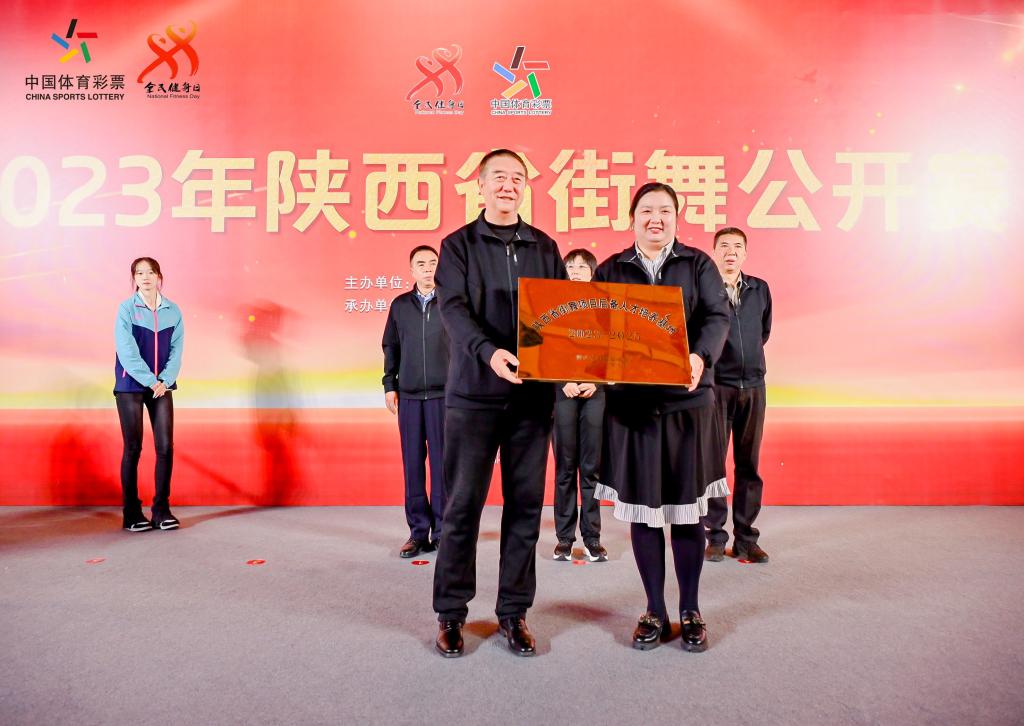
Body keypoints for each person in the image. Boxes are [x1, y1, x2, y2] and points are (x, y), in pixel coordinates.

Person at [431, 149, 567, 658]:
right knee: (462, 506)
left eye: (517, 178)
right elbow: (453, 310)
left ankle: (514, 611)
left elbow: (563, 315)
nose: (508, 186)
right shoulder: (458, 246)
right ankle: (451, 612)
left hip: (531, 400)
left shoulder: (544, 247)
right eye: (499, 178)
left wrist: (575, 366)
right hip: (473, 397)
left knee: (525, 507)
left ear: (525, 187)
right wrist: (489, 353)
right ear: (481, 186)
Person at [592, 183, 730, 652]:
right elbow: (594, 329)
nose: (656, 218)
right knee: (646, 514)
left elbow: (716, 317)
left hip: (686, 407)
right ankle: (654, 609)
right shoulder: (611, 269)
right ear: (632, 218)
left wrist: (699, 356)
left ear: (676, 217)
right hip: (632, 409)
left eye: (665, 210)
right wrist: (597, 366)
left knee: (687, 514)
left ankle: (690, 609)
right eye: (647, 210)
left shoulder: (698, 265)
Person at [703, 227, 773, 563]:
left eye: (737, 247)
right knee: (713, 465)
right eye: (724, 246)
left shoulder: (760, 289)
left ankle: (746, 538)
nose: (731, 252)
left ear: (745, 253)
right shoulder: (705, 290)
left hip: (754, 387)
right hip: (717, 387)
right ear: (714, 252)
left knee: (749, 464)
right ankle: (715, 536)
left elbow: (764, 332)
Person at [382, 245, 449, 558]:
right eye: (421, 264)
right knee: (412, 466)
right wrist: (389, 385)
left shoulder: (451, 303)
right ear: (411, 270)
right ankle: (418, 532)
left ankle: (444, 531)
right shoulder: (400, 306)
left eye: (433, 263)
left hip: (443, 396)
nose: (427, 268)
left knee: (442, 466)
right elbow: (391, 347)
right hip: (408, 397)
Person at [113, 257, 184, 532]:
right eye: (140, 273)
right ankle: (131, 513)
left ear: (159, 276)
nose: (145, 277)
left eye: (150, 272)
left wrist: (165, 380)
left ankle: (161, 510)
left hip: (162, 386)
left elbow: (177, 350)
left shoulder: (173, 311)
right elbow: (126, 351)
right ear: (134, 278)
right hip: (130, 385)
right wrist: (150, 381)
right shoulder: (126, 309)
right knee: (133, 448)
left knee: (165, 447)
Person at [552, 248, 607, 563]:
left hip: (594, 393)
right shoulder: (551, 305)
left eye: (582, 267)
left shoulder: (604, 308)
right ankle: (563, 539)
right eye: (570, 266)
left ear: (592, 273)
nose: (575, 271)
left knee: (590, 469)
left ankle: (592, 538)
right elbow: (540, 348)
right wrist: (562, 381)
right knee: (564, 468)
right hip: (563, 393)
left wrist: (597, 382)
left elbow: (615, 349)